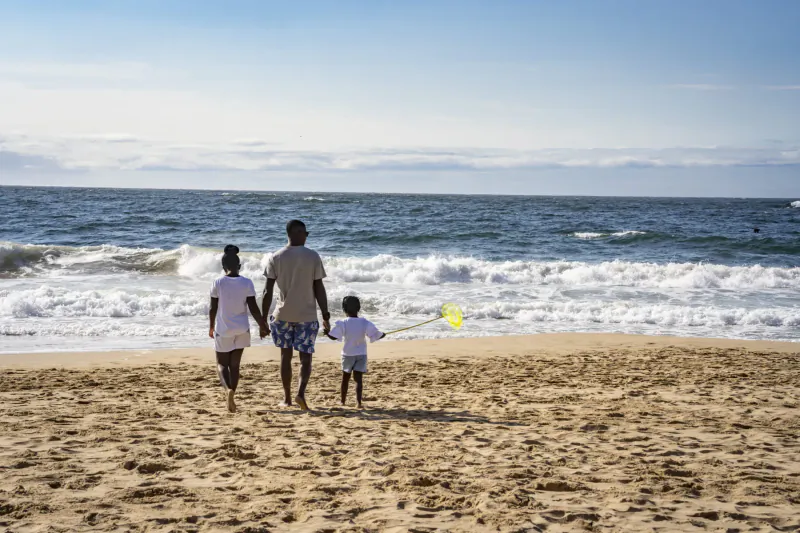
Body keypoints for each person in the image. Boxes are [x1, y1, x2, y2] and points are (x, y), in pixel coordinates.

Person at [262, 220, 331, 410]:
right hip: (307, 315)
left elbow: (267, 291)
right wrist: (325, 314)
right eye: (305, 233)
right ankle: (300, 393)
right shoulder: (312, 256)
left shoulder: (275, 257)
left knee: (285, 356)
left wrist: (262, 319)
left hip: (282, 314)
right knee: (306, 356)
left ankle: (287, 398)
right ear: (297, 233)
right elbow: (319, 287)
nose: (307, 236)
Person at [209, 245, 267, 413]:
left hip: (224, 329)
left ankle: (228, 391)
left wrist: (211, 326)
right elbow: (253, 308)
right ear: (239, 266)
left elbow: (213, 308)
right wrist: (262, 325)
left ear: (223, 266)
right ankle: (232, 394)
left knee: (221, 364)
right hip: (242, 329)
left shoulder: (218, 283)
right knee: (235, 366)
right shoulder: (247, 283)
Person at [324, 296, 385, 408]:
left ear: (344, 309)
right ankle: (358, 402)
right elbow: (375, 334)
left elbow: (334, 336)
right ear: (358, 308)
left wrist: (327, 333)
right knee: (358, 379)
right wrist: (382, 335)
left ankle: (342, 401)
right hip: (361, 354)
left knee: (345, 378)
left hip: (347, 354)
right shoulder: (364, 322)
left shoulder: (343, 323)